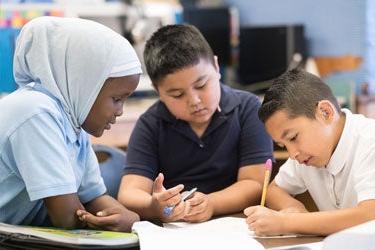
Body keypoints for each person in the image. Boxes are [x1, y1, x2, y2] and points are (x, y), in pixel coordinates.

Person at [117, 24, 273, 223]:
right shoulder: (151, 124)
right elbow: (130, 192)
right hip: (176, 228)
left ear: (216, 67)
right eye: (177, 94)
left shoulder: (248, 109)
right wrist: (155, 205)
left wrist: (212, 203)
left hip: (236, 223)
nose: (194, 101)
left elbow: (255, 183)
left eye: (201, 85)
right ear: (158, 91)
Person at [0, 16, 141, 232]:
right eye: (116, 99)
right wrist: (112, 221)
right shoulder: (34, 112)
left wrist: (132, 220)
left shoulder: (73, 122)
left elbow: (95, 199)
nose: (120, 111)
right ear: (84, 85)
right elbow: (66, 218)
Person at [244, 69, 375, 236]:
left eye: (293, 137)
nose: (292, 155)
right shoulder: (307, 153)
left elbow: (370, 216)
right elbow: (274, 189)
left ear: (325, 112)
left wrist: (288, 222)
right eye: (283, 146)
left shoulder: (370, 141)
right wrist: (294, 209)